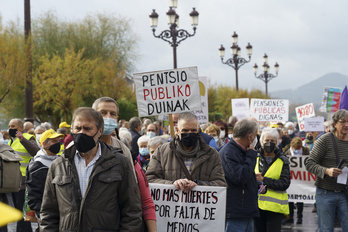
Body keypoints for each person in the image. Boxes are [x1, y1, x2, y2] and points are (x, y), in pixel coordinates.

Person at [40, 107, 142, 231]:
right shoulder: (58, 165)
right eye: (78, 128)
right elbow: (48, 214)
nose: (81, 133)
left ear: (99, 132)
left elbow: (132, 211)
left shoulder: (119, 163)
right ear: (72, 129)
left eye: (87, 129)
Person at [146, 112, 227, 191]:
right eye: (185, 130)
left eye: (193, 130)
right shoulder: (161, 152)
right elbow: (149, 179)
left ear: (198, 130)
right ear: (177, 130)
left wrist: (198, 185)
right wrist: (172, 184)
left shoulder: (211, 154)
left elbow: (220, 184)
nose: (189, 133)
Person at [305, 109, 348, 231]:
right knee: (326, 229)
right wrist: (326, 171)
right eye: (343, 122)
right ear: (334, 124)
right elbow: (309, 163)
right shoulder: (324, 140)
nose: (347, 125)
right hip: (325, 193)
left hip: (345, 192)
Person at [219, 118, 260, 232]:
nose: (256, 139)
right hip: (236, 213)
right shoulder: (229, 152)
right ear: (249, 136)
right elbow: (240, 177)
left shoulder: (243, 150)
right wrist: (251, 155)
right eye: (256, 135)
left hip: (245, 210)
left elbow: (246, 177)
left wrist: (257, 185)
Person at [254, 127, 291, 232]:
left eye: (272, 141)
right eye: (266, 140)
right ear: (261, 142)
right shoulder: (254, 158)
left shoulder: (283, 161)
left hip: (275, 208)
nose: (269, 143)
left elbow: (284, 183)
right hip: (257, 207)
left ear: (277, 143)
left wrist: (264, 180)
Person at [8, 118, 40, 232]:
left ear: (20, 128)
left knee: (22, 213)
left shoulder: (27, 138)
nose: (10, 129)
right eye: (9, 126)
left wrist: (22, 139)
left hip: (24, 181)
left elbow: (36, 151)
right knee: (18, 213)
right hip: (14, 181)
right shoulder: (12, 140)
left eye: (13, 126)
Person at [25, 129, 64, 222]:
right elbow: (34, 193)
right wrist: (40, 213)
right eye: (54, 141)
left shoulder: (60, 160)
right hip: (46, 211)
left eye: (59, 141)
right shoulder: (37, 165)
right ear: (45, 144)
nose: (58, 143)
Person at [284, 136, 309, 225]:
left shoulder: (305, 151)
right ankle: (290, 217)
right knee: (290, 198)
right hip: (290, 178)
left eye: (299, 147)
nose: (298, 149)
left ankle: (299, 217)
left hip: (300, 178)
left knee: (299, 198)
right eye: (296, 148)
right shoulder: (285, 151)